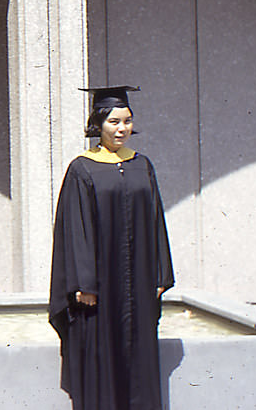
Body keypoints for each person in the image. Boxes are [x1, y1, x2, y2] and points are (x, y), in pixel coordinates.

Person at [49, 86, 174, 410]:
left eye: (127, 121)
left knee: (138, 351)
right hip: (100, 289)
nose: (122, 129)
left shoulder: (141, 164)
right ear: (98, 124)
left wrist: (160, 272)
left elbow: (156, 218)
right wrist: (84, 283)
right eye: (114, 122)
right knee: (103, 350)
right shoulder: (83, 168)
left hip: (139, 283)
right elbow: (75, 229)